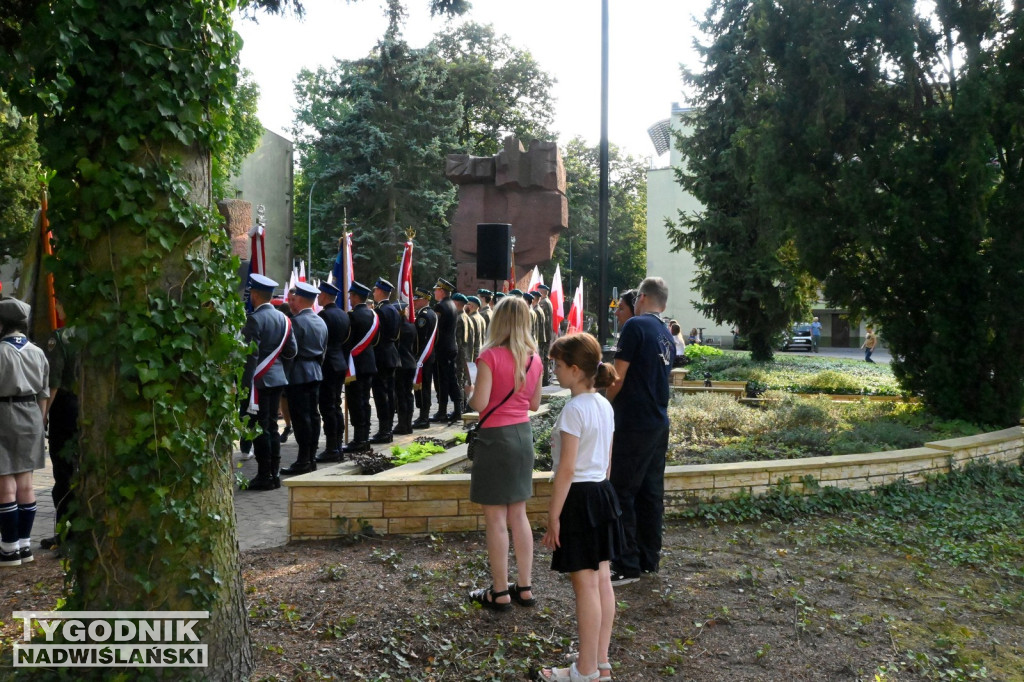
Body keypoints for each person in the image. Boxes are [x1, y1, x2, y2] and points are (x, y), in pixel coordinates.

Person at [537, 333, 623, 682]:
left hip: (581, 498)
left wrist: (553, 515)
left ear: (574, 369)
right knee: (602, 581)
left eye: (557, 365)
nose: (554, 371)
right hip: (602, 494)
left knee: (587, 586)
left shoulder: (574, 409)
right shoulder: (603, 404)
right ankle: (599, 662)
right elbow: (608, 461)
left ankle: (584, 670)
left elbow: (567, 469)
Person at [466, 296, 543, 611]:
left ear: (498, 321)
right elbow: (535, 404)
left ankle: (499, 591)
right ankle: (524, 587)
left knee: (496, 518)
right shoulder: (534, 358)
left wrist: (469, 393)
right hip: (523, 436)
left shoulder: (489, 356)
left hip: (495, 439)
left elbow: (480, 403)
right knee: (519, 514)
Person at [605, 277, 675, 586]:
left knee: (623, 490)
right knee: (651, 492)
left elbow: (617, 377)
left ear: (642, 297)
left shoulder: (634, 327)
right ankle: (649, 558)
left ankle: (626, 564)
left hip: (633, 422)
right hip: (658, 421)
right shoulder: (666, 333)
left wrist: (602, 404)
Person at [0, 298, 49, 566]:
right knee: (26, 483)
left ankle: (9, 549)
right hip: (32, 414)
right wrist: (40, 423)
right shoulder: (37, 352)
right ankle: (25, 546)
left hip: (4, 414)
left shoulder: (0, 352)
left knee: (5, 483)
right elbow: (44, 391)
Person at [242, 275, 298, 491]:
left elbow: (251, 357)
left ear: (255, 295)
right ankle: (274, 473)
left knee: (259, 427)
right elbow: (291, 351)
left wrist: (245, 386)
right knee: (272, 427)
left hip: (258, 382)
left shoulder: (254, 319)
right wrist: (281, 371)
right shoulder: (285, 319)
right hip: (276, 379)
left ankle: (264, 475)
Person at [281, 282, 328, 476]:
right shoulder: (320, 321)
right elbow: (323, 351)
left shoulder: (296, 322)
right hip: (316, 371)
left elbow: (290, 352)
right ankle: (310, 457)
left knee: (301, 419)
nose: (292, 303)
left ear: (300, 299)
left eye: (294, 299)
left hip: (298, 374)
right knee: (314, 416)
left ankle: (303, 460)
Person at [42, 324, 79, 551]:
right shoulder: (97, 330)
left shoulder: (60, 337)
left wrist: (43, 414)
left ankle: (66, 533)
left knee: (64, 473)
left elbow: (53, 381)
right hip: (90, 405)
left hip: (65, 408)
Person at [315, 281, 349, 463]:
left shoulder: (324, 315)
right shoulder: (343, 315)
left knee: (327, 406)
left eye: (319, 294)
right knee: (335, 404)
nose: (318, 297)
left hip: (328, 364)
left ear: (325, 296)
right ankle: (337, 444)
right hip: (340, 363)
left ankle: (331, 447)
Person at [343, 281, 379, 453]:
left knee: (356, 403)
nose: (349, 298)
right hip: (369, 363)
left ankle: (359, 439)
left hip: (355, 365)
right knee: (365, 401)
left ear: (356, 296)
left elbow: (347, 341)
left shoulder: (352, 316)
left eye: (351, 295)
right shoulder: (373, 314)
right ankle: (364, 437)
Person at [370, 279, 400, 444]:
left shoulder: (381, 311)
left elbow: (377, 336)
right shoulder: (394, 309)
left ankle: (384, 430)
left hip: (381, 355)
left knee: (381, 395)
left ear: (380, 291)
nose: (373, 293)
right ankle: (387, 429)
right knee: (389, 393)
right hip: (391, 354)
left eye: (375, 290)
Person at [430, 278, 460, 424]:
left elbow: (436, 330)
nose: (434, 292)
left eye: (436, 290)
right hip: (450, 347)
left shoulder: (440, 307)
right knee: (451, 379)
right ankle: (457, 409)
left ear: (441, 291)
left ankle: (442, 411)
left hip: (442, 348)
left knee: (441, 380)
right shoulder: (452, 305)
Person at [411, 287, 438, 430]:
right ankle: (423, 415)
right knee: (425, 386)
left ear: (424, 300)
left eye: (417, 299)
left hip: (423, 356)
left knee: (422, 387)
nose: (414, 302)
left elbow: (419, 339)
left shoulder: (423, 316)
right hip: (429, 355)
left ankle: (424, 417)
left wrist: (416, 356)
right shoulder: (431, 313)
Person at [393, 301, 417, 435]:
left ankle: (403, 424)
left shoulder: (397, 328)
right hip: (411, 362)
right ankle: (408, 423)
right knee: (408, 394)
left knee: (401, 395)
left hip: (401, 364)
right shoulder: (411, 326)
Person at [536, 284, 554, 386]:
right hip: (547, 333)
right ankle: (545, 379)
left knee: (542, 357)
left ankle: (544, 379)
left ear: (542, 292)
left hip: (544, 334)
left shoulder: (543, 303)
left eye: (539, 292)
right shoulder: (548, 301)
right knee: (545, 357)